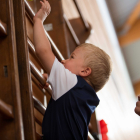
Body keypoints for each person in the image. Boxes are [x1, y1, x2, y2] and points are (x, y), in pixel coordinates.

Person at [33, 0, 112, 139]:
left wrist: (39, 20)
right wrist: (51, 78)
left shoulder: (71, 83)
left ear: (85, 71)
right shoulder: (86, 99)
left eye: (72, 57)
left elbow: (42, 50)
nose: (64, 60)